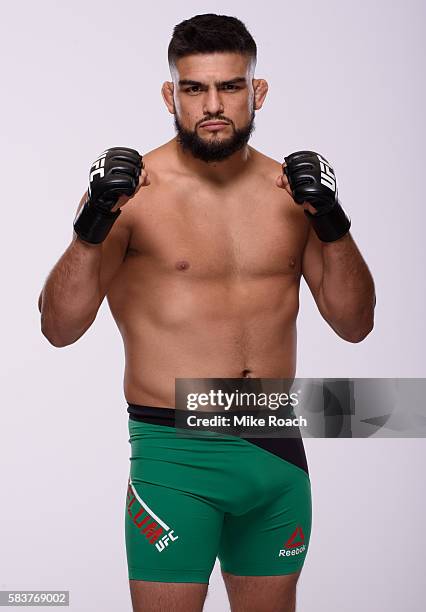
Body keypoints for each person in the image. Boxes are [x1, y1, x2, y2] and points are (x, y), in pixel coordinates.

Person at [38, 13, 375, 612]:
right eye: (194, 89)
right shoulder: (132, 195)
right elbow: (58, 329)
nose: (212, 105)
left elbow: (355, 325)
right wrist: (91, 227)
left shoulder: (290, 194)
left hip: (276, 451)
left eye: (230, 86)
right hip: (175, 459)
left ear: (257, 92)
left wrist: (333, 222)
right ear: (172, 95)